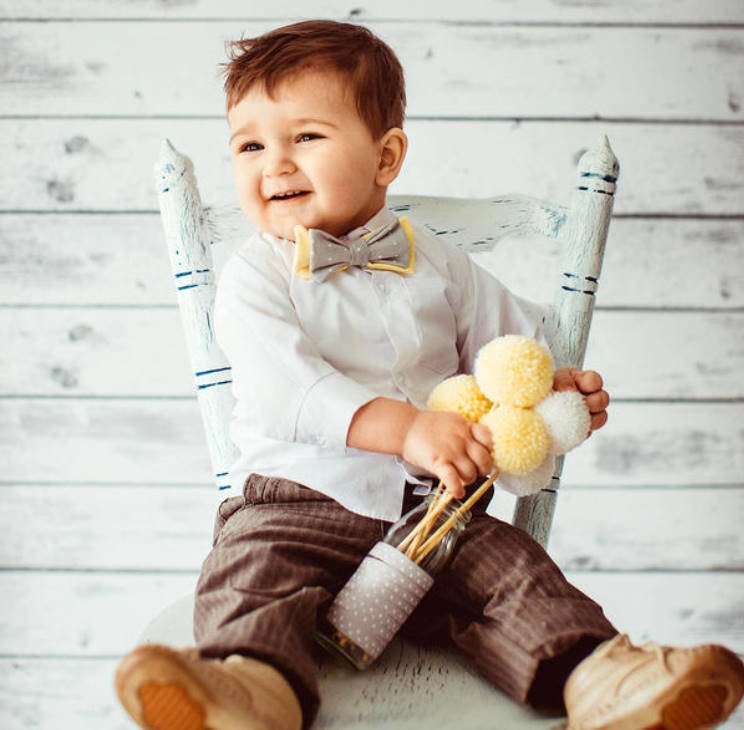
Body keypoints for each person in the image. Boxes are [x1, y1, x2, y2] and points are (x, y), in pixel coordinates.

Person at [115, 19, 744, 730]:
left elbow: (512, 352)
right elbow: (284, 388)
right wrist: (407, 428)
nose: (275, 164)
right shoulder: (255, 275)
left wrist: (556, 394)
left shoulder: (439, 263)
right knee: (250, 576)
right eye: (250, 144)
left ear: (386, 157)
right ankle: (250, 690)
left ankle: (601, 679)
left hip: (438, 511)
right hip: (295, 505)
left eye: (306, 137)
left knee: (516, 576)